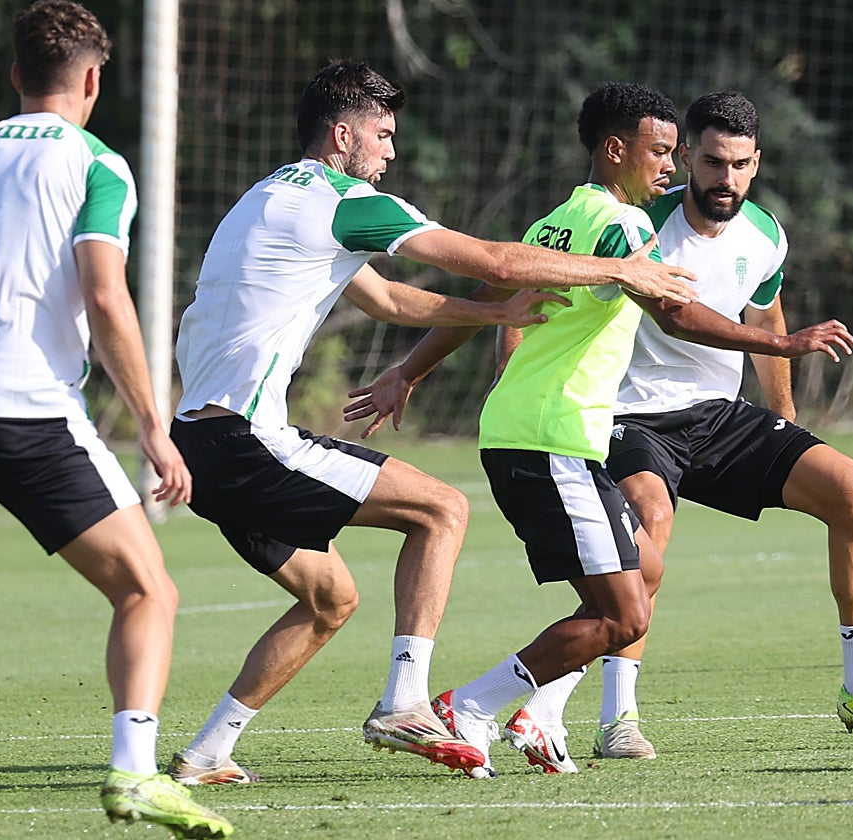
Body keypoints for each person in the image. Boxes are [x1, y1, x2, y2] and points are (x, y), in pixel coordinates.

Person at [164, 60, 700, 785]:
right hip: (246, 439)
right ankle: (407, 702)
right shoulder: (342, 201)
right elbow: (493, 257)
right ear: (342, 133)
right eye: (382, 136)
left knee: (331, 601)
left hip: (195, 443)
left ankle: (207, 752)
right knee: (442, 509)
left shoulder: (265, 198)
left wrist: (491, 315)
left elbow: (386, 300)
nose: (390, 151)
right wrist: (619, 272)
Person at [343, 81, 853, 777]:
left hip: (542, 435)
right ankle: (472, 706)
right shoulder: (626, 229)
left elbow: (487, 297)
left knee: (643, 571)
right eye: (661, 152)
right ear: (616, 151)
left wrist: (408, 371)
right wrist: (781, 345)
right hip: (552, 437)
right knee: (626, 616)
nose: (671, 167)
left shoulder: (560, 220)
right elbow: (675, 314)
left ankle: (539, 710)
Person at [0, 2, 232, 836]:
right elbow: (103, 293)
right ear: (91, 78)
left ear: (14, 76)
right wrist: (154, 423)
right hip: (26, 411)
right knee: (146, 589)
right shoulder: (95, 162)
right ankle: (134, 775)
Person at [510, 91, 853, 769]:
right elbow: (673, 315)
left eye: (741, 165)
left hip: (719, 415)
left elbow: (764, 316)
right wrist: (785, 346)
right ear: (687, 159)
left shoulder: (766, 234)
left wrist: (785, 423)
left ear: (757, 163)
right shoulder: (637, 219)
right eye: (714, 162)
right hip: (630, 414)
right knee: (650, 519)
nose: (728, 179)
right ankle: (616, 717)